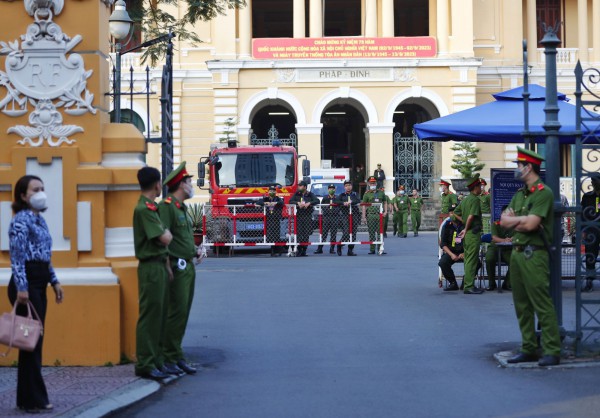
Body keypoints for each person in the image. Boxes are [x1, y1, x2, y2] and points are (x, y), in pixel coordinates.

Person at [7, 175, 64, 413]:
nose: (41, 193)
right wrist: (22, 288)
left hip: (39, 281)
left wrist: (55, 281)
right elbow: (17, 257)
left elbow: (44, 255)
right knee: (32, 343)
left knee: (32, 341)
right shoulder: (20, 220)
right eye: (35, 189)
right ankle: (34, 399)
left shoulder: (39, 220)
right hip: (26, 284)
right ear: (23, 195)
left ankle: (26, 398)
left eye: (42, 188)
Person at [500, 147, 561, 367]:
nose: (516, 169)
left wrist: (518, 221)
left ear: (528, 168)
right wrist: (520, 221)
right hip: (517, 253)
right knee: (522, 305)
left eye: (518, 166)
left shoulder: (543, 192)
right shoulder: (520, 194)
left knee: (541, 304)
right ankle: (528, 348)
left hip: (534, 255)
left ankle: (552, 350)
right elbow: (503, 221)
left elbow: (532, 224)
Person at [158, 162, 201, 376]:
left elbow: (181, 238)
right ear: (180, 185)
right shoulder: (167, 207)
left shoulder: (180, 208)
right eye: (189, 181)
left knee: (182, 312)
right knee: (176, 312)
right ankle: (169, 356)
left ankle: (176, 355)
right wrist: (167, 265)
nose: (191, 184)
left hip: (187, 264)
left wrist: (195, 250)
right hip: (176, 266)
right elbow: (162, 239)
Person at [133, 167, 173, 380]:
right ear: (157, 184)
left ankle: (157, 360)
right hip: (149, 267)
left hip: (158, 265)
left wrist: (167, 267)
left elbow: (164, 239)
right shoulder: (144, 209)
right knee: (150, 316)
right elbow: (165, 237)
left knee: (160, 315)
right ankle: (145, 363)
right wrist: (166, 234)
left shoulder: (151, 208)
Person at [453, 174, 484, 294]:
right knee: (472, 260)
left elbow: (455, 212)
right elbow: (471, 216)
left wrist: (463, 222)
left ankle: (468, 284)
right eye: (480, 186)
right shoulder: (475, 200)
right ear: (475, 187)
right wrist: (466, 227)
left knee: (468, 260)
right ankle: (469, 286)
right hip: (472, 233)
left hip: (468, 234)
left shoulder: (466, 200)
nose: (481, 188)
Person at [485, 209, 513, 291]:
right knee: (489, 258)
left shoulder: (515, 225)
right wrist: (505, 240)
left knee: (514, 261)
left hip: (507, 249)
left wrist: (513, 238)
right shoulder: (496, 224)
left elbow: (518, 235)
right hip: (495, 248)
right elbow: (494, 238)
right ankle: (491, 283)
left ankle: (507, 283)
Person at [581, 173, 600, 292]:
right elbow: (582, 213)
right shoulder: (587, 197)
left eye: (596, 181)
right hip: (591, 229)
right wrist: (583, 230)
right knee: (590, 256)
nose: (594, 183)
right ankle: (589, 280)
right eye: (593, 181)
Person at [290, 180, 319, 256]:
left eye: (300, 185)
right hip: (299, 216)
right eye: (298, 185)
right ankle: (299, 249)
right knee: (299, 233)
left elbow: (317, 200)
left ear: (305, 187)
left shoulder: (310, 194)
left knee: (306, 233)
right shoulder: (297, 194)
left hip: (307, 216)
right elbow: (290, 201)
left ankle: (304, 249)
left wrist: (309, 203)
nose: (298, 187)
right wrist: (297, 203)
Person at [362, 176, 387, 254]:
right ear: (369, 184)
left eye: (374, 183)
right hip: (371, 215)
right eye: (371, 183)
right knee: (371, 233)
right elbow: (364, 205)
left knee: (380, 233)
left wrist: (385, 211)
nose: (373, 184)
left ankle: (380, 248)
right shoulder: (366, 194)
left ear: (376, 183)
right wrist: (363, 216)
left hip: (380, 215)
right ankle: (372, 249)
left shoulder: (381, 193)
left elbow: (385, 202)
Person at [439, 217, 465, 291]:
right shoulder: (446, 226)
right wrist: (451, 254)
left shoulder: (465, 225)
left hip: (464, 251)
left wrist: (464, 253)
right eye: (451, 213)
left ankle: (466, 281)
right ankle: (453, 282)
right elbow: (443, 244)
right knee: (442, 263)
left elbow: (472, 243)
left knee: (477, 262)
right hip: (451, 251)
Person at [257, 185, 284, 257]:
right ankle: (272, 250)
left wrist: (275, 203)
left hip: (276, 219)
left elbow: (282, 203)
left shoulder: (278, 198)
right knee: (270, 235)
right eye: (270, 191)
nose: (272, 192)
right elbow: (258, 202)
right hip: (269, 219)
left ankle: (279, 249)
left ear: (275, 192)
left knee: (276, 235)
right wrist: (265, 203)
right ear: (268, 192)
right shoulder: (266, 199)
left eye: (273, 191)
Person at [315, 184, 339, 254]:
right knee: (324, 233)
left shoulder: (337, 198)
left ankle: (332, 249)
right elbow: (322, 206)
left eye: (333, 188)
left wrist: (334, 211)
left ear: (335, 189)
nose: (331, 190)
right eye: (330, 188)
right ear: (328, 190)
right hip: (327, 217)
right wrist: (328, 210)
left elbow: (339, 206)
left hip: (334, 217)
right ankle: (320, 248)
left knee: (333, 233)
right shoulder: (325, 198)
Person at [338, 180, 360, 256]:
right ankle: (339, 245)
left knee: (354, 233)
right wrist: (343, 203)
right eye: (346, 185)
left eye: (349, 185)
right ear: (344, 187)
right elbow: (336, 201)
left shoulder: (355, 194)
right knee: (346, 232)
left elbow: (358, 200)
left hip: (354, 215)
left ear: (352, 186)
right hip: (345, 215)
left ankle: (350, 250)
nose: (348, 187)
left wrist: (351, 202)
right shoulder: (342, 195)